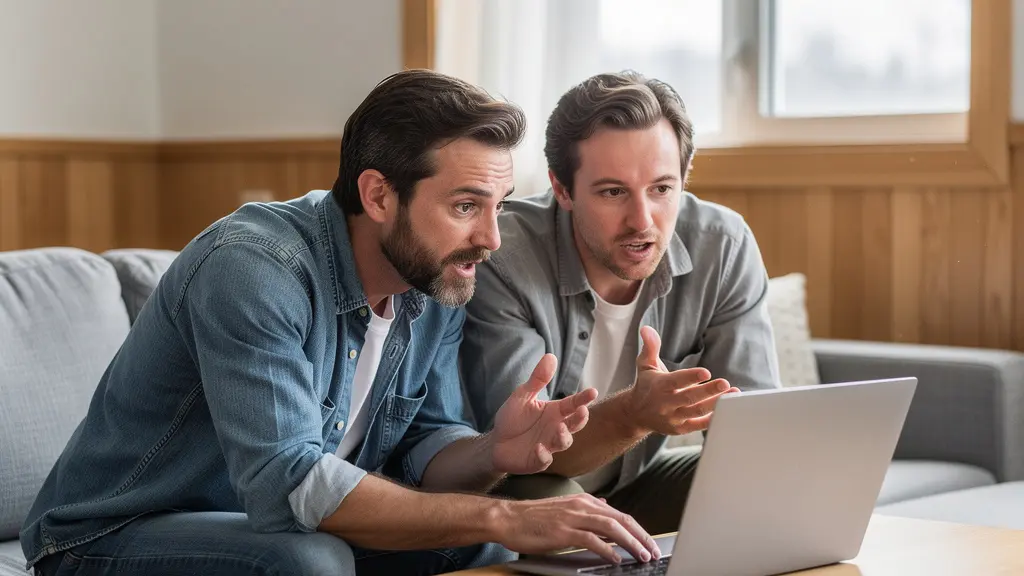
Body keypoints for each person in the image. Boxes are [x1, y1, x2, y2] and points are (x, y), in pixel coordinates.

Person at [20, 70, 662, 576]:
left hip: (272, 527)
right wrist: (496, 515)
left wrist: (495, 450)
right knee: (313, 559)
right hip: (109, 536)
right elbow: (292, 485)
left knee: (490, 545)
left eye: (499, 205)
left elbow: (426, 447)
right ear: (379, 195)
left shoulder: (434, 277)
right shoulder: (252, 267)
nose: (491, 238)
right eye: (466, 206)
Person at [461, 70, 782, 535]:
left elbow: (752, 429)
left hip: (638, 482)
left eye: (662, 188)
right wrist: (635, 413)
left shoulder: (723, 244)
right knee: (576, 517)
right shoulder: (502, 256)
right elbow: (527, 452)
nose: (642, 221)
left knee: (774, 495)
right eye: (613, 192)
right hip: (528, 487)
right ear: (562, 188)